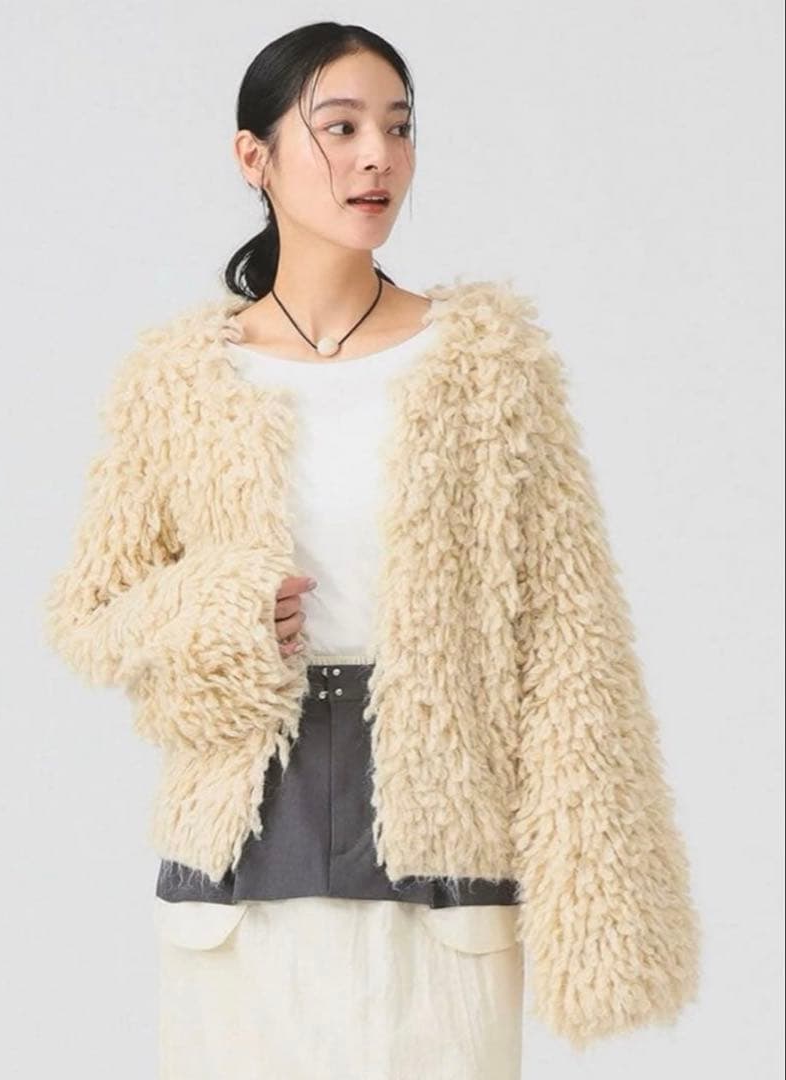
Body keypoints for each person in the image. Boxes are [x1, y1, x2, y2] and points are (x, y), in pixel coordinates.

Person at [43, 21, 701, 1080]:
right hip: (239, 881)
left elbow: (572, 638)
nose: (376, 157)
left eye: (397, 128)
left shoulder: (486, 364)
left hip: (442, 881)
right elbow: (92, 613)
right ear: (253, 156)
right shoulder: (178, 380)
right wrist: (218, 608)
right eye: (340, 127)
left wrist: (604, 904)